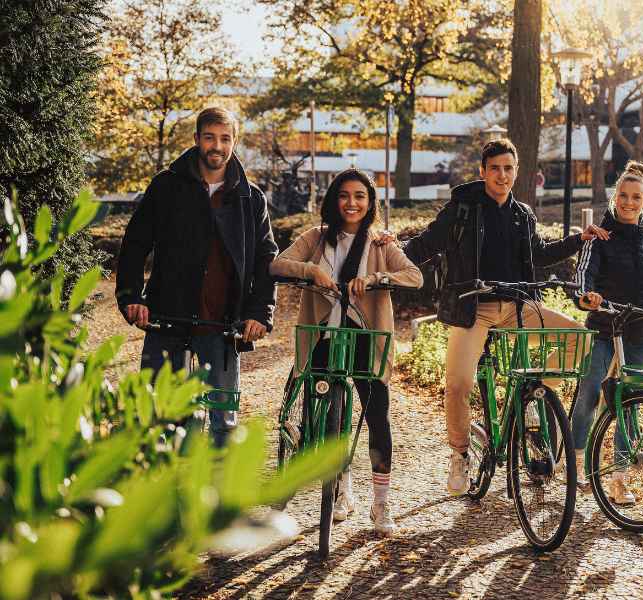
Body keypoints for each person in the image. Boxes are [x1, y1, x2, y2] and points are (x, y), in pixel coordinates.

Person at [403, 138, 610, 496]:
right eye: (495, 168)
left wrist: (579, 239)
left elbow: (540, 254)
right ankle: (460, 453)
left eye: (508, 168)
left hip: (518, 307)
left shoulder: (522, 214)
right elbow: (426, 244)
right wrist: (390, 257)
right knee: (458, 383)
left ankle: (535, 390)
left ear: (517, 172)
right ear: (483, 171)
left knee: (580, 339)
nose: (502, 175)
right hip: (473, 308)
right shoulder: (463, 208)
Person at [270, 168, 422, 536]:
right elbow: (275, 264)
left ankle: (381, 504)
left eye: (360, 196)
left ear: (370, 203)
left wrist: (373, 279)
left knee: (377, 419)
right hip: (321, 337)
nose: (351, 203)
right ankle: (342, 488)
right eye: (344, 195)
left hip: (365, 341)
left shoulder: (381, 244)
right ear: (333, 200)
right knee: (327, 420)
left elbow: (414, 276)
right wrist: (311, 271)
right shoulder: (316, 238)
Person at [116, 107, 277, 448]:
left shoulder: (252, 198)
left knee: (224, 425)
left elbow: (266, 259)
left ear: (234, 142)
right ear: (196, 140)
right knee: (158, 417)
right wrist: (131, 298)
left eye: (225, 138)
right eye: (209, 137)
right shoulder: (166, 186)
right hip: (166, 317)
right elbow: (134, 244)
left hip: (223, 324)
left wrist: (260, 313)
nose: (216, 146)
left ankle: (216, 499)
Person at [572, 160, 643, 504]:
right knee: (589, 391)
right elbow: (583, 279)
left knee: (630, 404)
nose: (629, 203)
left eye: (636, 198)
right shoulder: (599, 240)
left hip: (641, 333)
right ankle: (574, 462)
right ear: (615, 198)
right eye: (624, 196)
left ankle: (619, 478)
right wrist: (588, 297)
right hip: (603, 328)